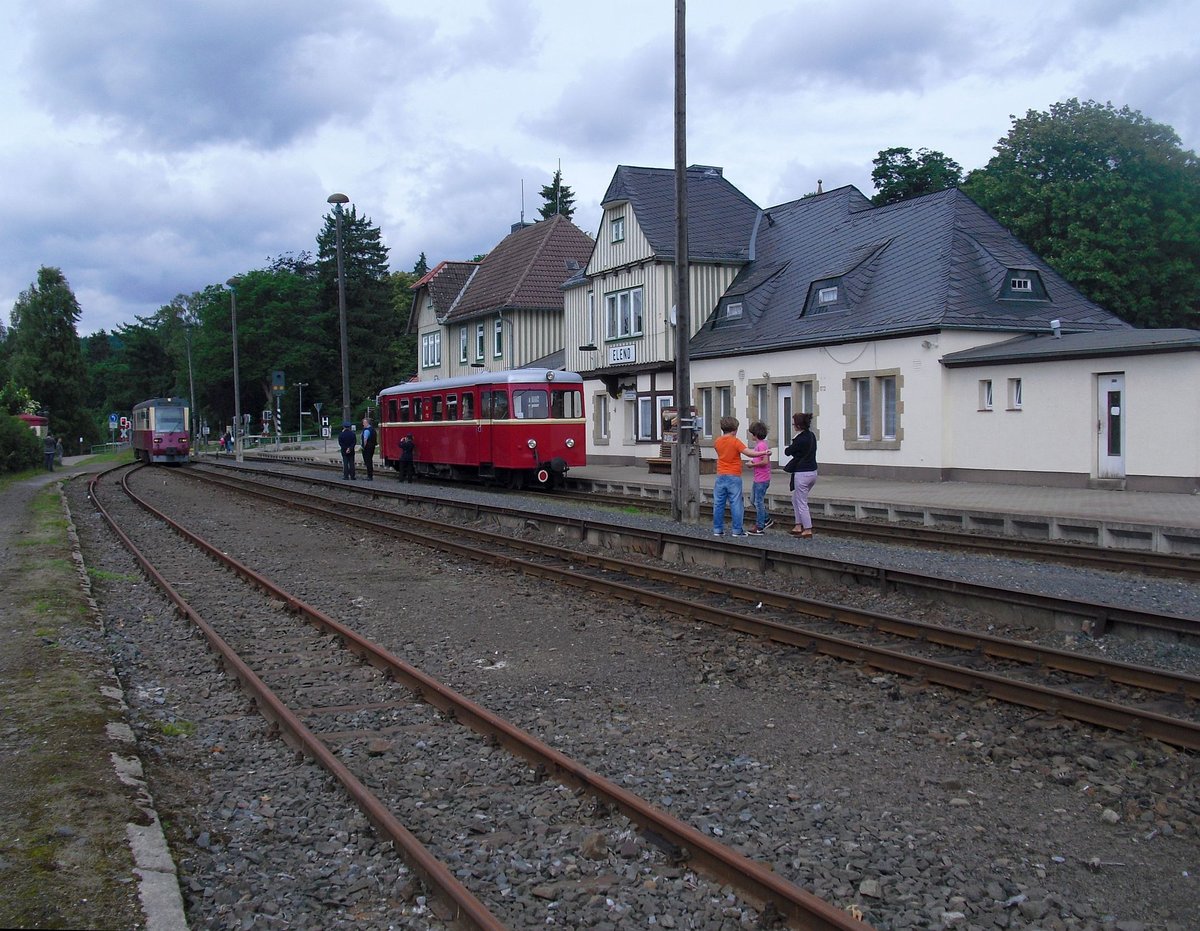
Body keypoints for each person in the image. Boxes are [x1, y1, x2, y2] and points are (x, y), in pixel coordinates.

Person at [711, 416, 766, 538]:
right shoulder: (735, 441)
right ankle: (737, 530)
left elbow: (719, 452)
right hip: (734, 476)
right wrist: (763, 452)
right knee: (736, 503)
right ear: (734, 429)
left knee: (718, 503)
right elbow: (749, 453)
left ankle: (717, 529)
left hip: (720, 475)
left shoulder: (717, 441)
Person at [783, 411, 818, 538]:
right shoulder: (811, 436)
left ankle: (807, 529)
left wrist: (793, 443)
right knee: (795, 498)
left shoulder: (799, 439)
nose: (793, 426)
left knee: (802, 502)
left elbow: (788, 451)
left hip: (802, 473)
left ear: (798, 425)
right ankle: (798, 526)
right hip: (813, 472)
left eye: (794, 424)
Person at [745, 421, 774, 535]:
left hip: (762, 479)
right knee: (753, 500)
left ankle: (760, 526)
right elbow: (759, 459)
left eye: (752, 433)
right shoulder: (760, 445)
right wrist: (752, 461)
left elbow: (765, 461)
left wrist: (752, 465)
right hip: (758, 478)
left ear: (755, 434)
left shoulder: (761, 445)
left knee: (758, 502)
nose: (751, 435)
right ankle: (766, 519)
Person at [360, 416, 376, 481]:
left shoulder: (367, 430)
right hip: (372, 447)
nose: (363, 424)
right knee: (370, 461)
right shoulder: (373, 429)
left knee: (368, 461)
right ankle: (370, 475)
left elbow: (365, 439)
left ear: (367, 423)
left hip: (367, 448)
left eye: (364, 423)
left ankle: (369, 476)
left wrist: (363, 447)